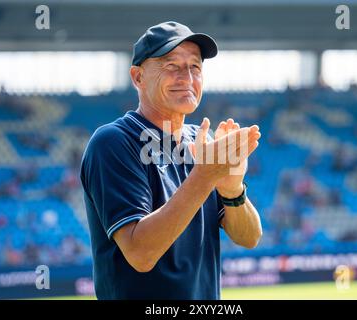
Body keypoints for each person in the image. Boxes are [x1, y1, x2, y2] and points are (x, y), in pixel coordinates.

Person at [80, 21, 262, 300]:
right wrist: (205, 176)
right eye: (171, 66)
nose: (187, 78)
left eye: (195, 67)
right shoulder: (113, 142)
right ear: (137, 77)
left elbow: (249, 237)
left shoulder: (201, 142)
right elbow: (140, 253)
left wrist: (232, 189)